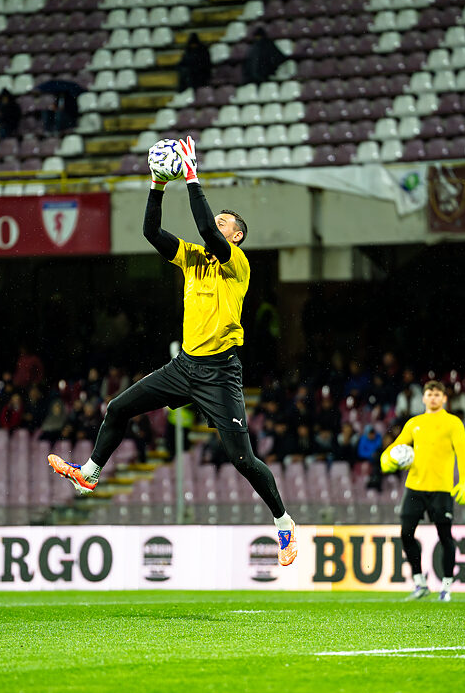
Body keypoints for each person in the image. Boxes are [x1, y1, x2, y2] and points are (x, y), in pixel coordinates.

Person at [48, 136, 298, 565]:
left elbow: (206, 230)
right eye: (217, 219)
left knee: (242, 459)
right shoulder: (192, 257)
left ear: (236, 236)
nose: (216, 225)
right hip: (184, 367)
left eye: (224, 223)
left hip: (219, 372)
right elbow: (151, 232)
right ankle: (89, 474)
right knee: (117, 408)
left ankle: (284, 522)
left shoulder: (237, 264)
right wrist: (157, 185)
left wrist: (192, 177)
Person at [381, 379, 465, 603]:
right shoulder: (414, 423)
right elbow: (397, 446)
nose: (433, 398)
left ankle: (446, 587)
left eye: (437, 394)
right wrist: (386, 458)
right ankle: (420, 583)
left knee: (445, 537)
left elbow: (462, 454)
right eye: (429, 394)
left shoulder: (453, 423)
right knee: (406, 533)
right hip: (415, 487)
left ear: (444, 399)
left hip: (441, 489)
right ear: (423, 398)